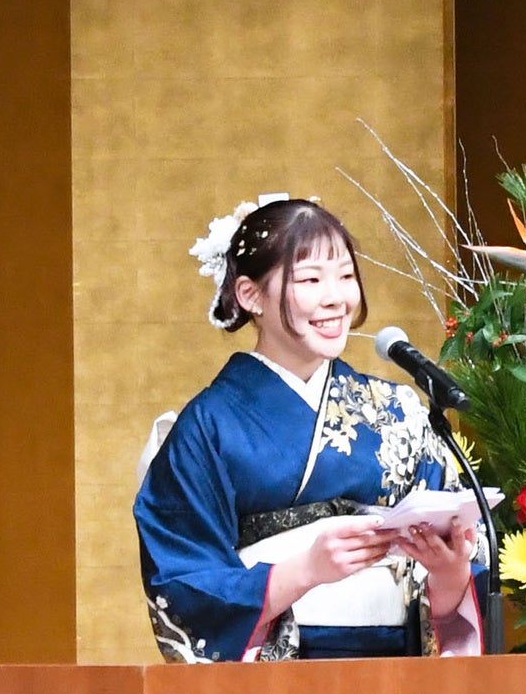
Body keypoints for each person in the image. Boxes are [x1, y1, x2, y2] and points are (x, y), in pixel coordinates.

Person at [134, 195, 483, 661]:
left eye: (345, 276)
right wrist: (306, 570)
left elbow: (463, 565)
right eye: (311, 280)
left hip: (399, 673)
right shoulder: (208, 426)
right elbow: (185, 585)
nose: (336, 298)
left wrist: (450, 574)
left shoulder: (398, 410)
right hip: (276, 678)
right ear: (250, 295)